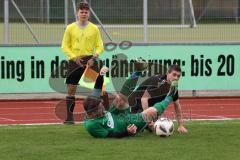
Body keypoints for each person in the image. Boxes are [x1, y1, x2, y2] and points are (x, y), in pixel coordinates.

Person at [83, 66, 179, 138]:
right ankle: (170, 96)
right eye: (101, 107)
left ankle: (136, 74)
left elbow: (97, 89)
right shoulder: (92, 126)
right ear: (93, 112)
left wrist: (101, 74)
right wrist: (127, 132)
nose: (103, 107)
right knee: (152, 112)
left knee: (119, 99)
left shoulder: (92, 102)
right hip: (128, 123)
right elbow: (110, 136)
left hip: (115, 113)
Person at [61, 1, 104, 124]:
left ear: (89, 14)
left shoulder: (94, 28)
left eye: (86, 12)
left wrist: (94, 58)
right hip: (75, 61)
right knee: (71, 88)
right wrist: (74, 58)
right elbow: (64, 46)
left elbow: (100, 46)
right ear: (77, 13)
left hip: (90, 60)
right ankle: (69, 118)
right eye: (81, 12)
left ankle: (95, 115)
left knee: (98, 87)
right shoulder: (70, 28)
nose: (84, 14)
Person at [128, 65, 188, 133]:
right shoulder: (158, 82)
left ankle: (146, 125)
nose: (176, 78)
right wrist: (148, 120)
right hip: (135, 105)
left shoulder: (173, 87)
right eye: (174, 75)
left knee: (155, 128)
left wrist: (181, 125)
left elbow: (177, 105)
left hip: (150, 108)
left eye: (178, 76)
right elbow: (144, 98)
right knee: (135, 130)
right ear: (167, 73)